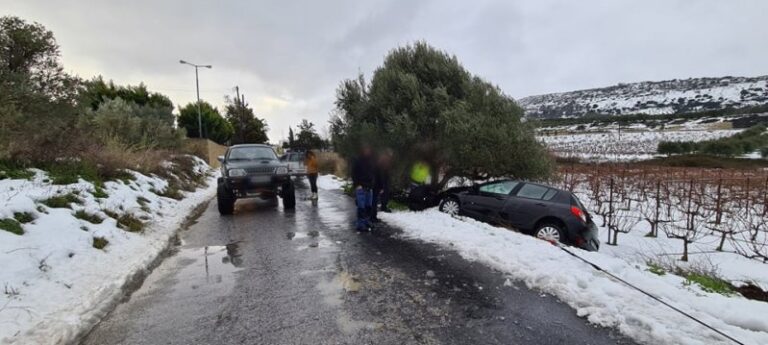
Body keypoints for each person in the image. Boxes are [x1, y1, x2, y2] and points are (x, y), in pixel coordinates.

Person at [351, 145, 375, 231]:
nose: (367, 151)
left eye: (369, 150)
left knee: (368, 206)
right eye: (366, 150)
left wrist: (372, 184)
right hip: (360, 187)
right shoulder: (358, 161)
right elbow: (353, 174)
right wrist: (357, 185)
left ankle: (366, 221)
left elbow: (372, 174)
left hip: (369, 187)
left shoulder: (371, 161)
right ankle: (360, 224)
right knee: (361, 207)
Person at [372, 149, 393, 222]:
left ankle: (377, 212)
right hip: (380, 182)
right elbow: (381, 174)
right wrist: (382, 186)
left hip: (380, 182)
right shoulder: (383, 161)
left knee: (377, 198)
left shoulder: (381, 160)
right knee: (376, 199)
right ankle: (373, 216)